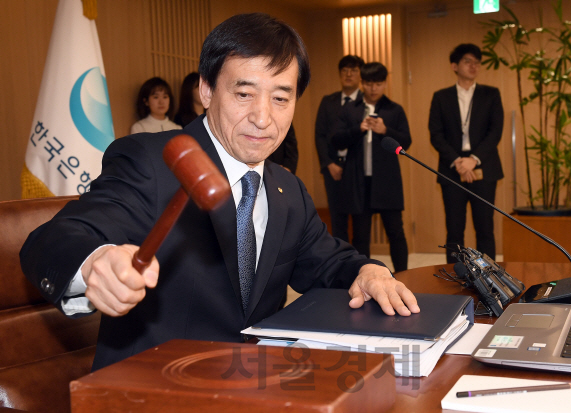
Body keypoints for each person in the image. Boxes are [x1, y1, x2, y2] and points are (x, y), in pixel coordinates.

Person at [20, 13, 419, 372]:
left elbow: (328, 260)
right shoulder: (152, 161)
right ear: (206, 90)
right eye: (244, 94)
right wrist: (96, 261)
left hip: (258, 384)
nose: (264, 117)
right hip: (154, 389)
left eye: (281, 98)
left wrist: (368, 271)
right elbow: (54, 238)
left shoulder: (286, 187)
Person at [428, 43, 504, 263]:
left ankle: (491, 280)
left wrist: (473, 160)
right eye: (467, 61)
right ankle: (454, 278)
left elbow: (495, 131)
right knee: (454, 230)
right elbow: (436, 134)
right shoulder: (441, 97)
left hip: (484, 167)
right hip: (452, 170)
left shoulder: (490, 94)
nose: (474, 66)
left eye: (477, 62)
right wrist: (458, 161)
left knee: (485, 229)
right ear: (454, 65)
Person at [332, 62, 411, 273]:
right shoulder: (350, 109)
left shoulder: (394, 109)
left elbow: (406, 142)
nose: (373, 88)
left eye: (378, 83)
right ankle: (364, 277)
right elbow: (336, 140)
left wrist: (386, 130)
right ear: (362, 83)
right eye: (368, 83)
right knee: (360, 236)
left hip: (387, 182)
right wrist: (358, 129)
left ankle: (404, 276)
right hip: (359, 182)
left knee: (396, 232)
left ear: (385, 83)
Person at [315, 55, 364, 242]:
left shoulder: (366, 102)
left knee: (360, 221)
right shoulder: (328, 101)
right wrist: (329, 164)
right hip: (332, 168)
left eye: (353, 71)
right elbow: (319, 135)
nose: (348, 74)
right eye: (344, 71)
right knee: (337, 219)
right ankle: (342, 265)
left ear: (360, 75)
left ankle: (362, 264)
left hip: (358, 169)